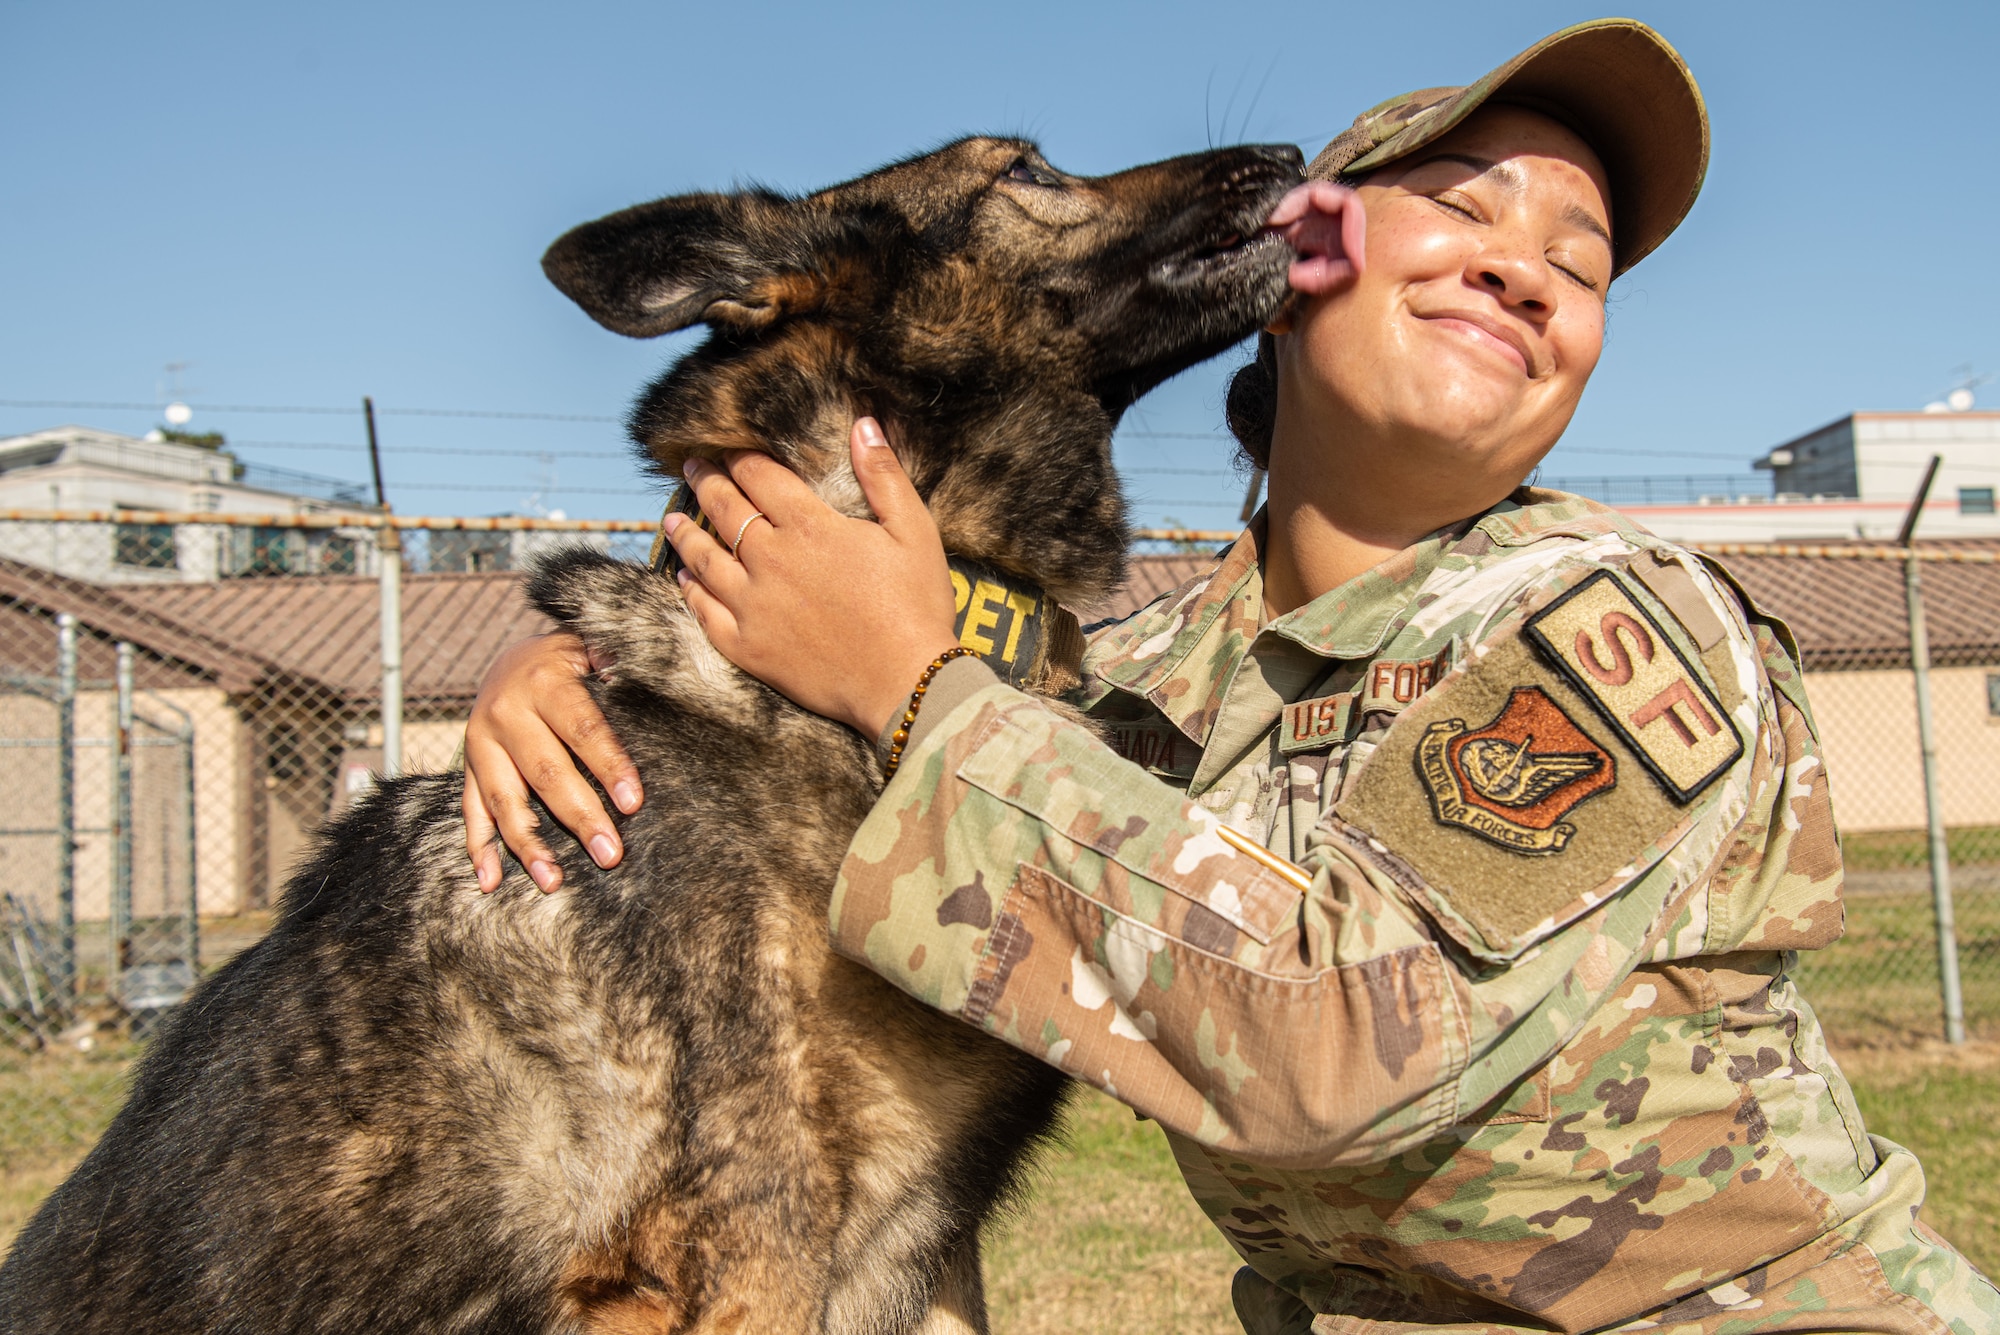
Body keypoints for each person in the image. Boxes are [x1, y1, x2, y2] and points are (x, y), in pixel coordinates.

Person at [460, 20, 2000, 1332]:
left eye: (1578, 269)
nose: (1528, 277)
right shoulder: (1141, 679)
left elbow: (1335, 1037)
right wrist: (600, 669)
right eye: (1466, 212)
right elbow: (887, 717)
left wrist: (916, 690)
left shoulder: (1616, 624)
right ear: (1303, 248)